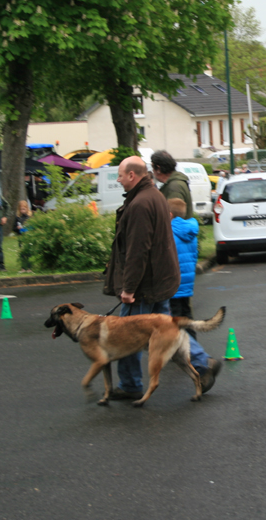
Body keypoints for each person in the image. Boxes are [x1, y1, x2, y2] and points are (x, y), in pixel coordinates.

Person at [103, 156, 220, 399]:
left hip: (145, 286)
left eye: (121, 175)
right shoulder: (155, 195)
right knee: (169, 331)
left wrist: (129, 288)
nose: (119, 179)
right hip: (161, 281)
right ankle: (202, 362)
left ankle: (130, 385)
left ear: (133, 176)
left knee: (128, 336)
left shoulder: (139, 204)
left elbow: (138, 250)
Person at [166, 197, 221, 386]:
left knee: (174, 323)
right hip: (186, 285)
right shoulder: (191, 231)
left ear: (170, 215)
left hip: (172, 286)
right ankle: (191, 353)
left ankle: (195, 357)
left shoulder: (169, 233)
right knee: (187, 319)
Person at [151, 150, 193, 220]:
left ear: (158, 168)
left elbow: (175, 218)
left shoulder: (175, 187)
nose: (152, 171)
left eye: (153, 167)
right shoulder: (175, 183)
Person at [14, 200, 33, 273]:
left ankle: (29, 267)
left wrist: (30, 229)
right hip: (21, 236)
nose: (22, 211)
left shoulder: (29, 217)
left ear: (27, 208)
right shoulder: (18, 217)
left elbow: (33, 226)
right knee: (22, 252)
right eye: (21, 209)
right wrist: (17, 228)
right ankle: (23, 267)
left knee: (29, 252)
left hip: (28, 236)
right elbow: (14, 227)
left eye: (24, 209)